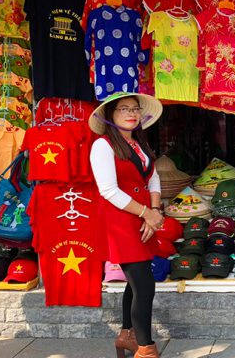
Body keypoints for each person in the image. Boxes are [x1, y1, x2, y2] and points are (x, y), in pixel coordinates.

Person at [89, 92, 164, 358]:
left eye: (134, 108)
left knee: (135, 283)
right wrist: (146, 212)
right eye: (123, 109)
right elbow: (108, 190)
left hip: (143, 216)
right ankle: (146, 347)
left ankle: (126, 335)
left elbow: (153, 179)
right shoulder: (103, 146)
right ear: (110, 115)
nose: (131, 113)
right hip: (121, 221)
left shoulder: (140, 143)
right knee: (144, 284)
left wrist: (154, 211)